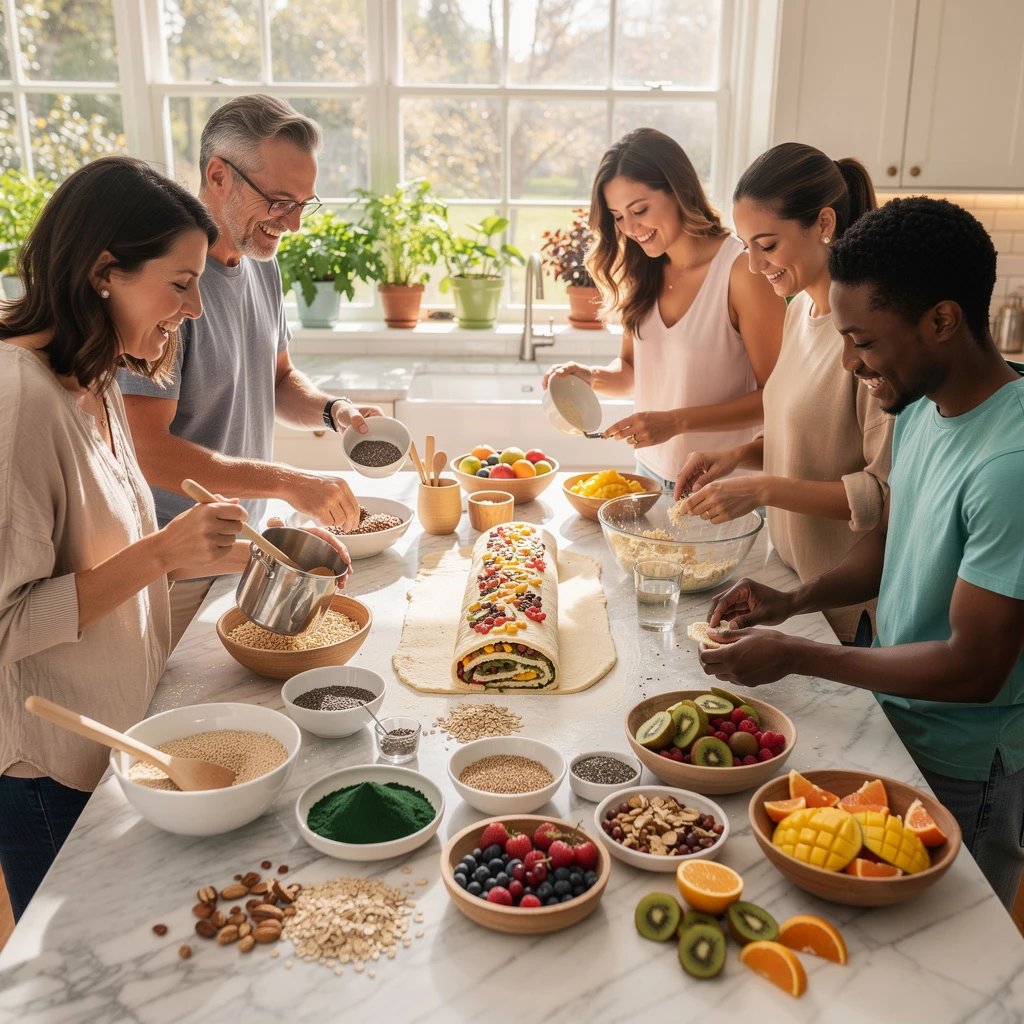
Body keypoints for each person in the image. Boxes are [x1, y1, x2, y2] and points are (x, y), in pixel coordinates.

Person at [697, 197, 1024, 909]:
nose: (849, 362)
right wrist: (793, 601)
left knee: (959, 949)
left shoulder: (1010, 464)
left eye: (864, 342)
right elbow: (890, 540)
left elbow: (974, 667)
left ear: (942, 320)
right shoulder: (925, 405)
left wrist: (797, 654)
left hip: (964, 761)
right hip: (895, 718)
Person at [0, 157, 253, 920]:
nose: (196, 308)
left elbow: (108, 552)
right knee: (76, 967)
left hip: (118, 736)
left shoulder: (96, 376)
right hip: (50, 765)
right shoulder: (19, 402)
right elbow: (7, 624)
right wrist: (164, 553)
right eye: (180, 283)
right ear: (104, 271)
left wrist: (224, 553)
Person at [118, 95, 380, 644]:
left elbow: (278, 379)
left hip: (246, 546)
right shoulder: (166, 285)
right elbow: (145, 448)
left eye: (305, 204)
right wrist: (287, 482)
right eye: (281, 201)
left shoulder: (261, 262)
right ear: (218, 176)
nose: (295, 223)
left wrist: (333, 411)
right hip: (175, 564)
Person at [673, 143, 893, 646]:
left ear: (824, 224)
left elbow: (883, 496)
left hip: (845, 612)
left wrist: (761, 490)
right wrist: (737, 456)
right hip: (790, 585)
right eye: (746, 246)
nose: (753, 265)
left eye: (767, 245)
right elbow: (808, 440)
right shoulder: (798, 311)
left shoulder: (868, 339)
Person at [543, 127, 785, 489]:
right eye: (618, 216)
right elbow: (632, 370)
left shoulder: (739, 272)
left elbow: (777, 396)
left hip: (723, 484)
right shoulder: (643, 268)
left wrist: (675, 422)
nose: (630, 228)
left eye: (639, 210)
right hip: (650, 472)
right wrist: (589, 376)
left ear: (678, 191)